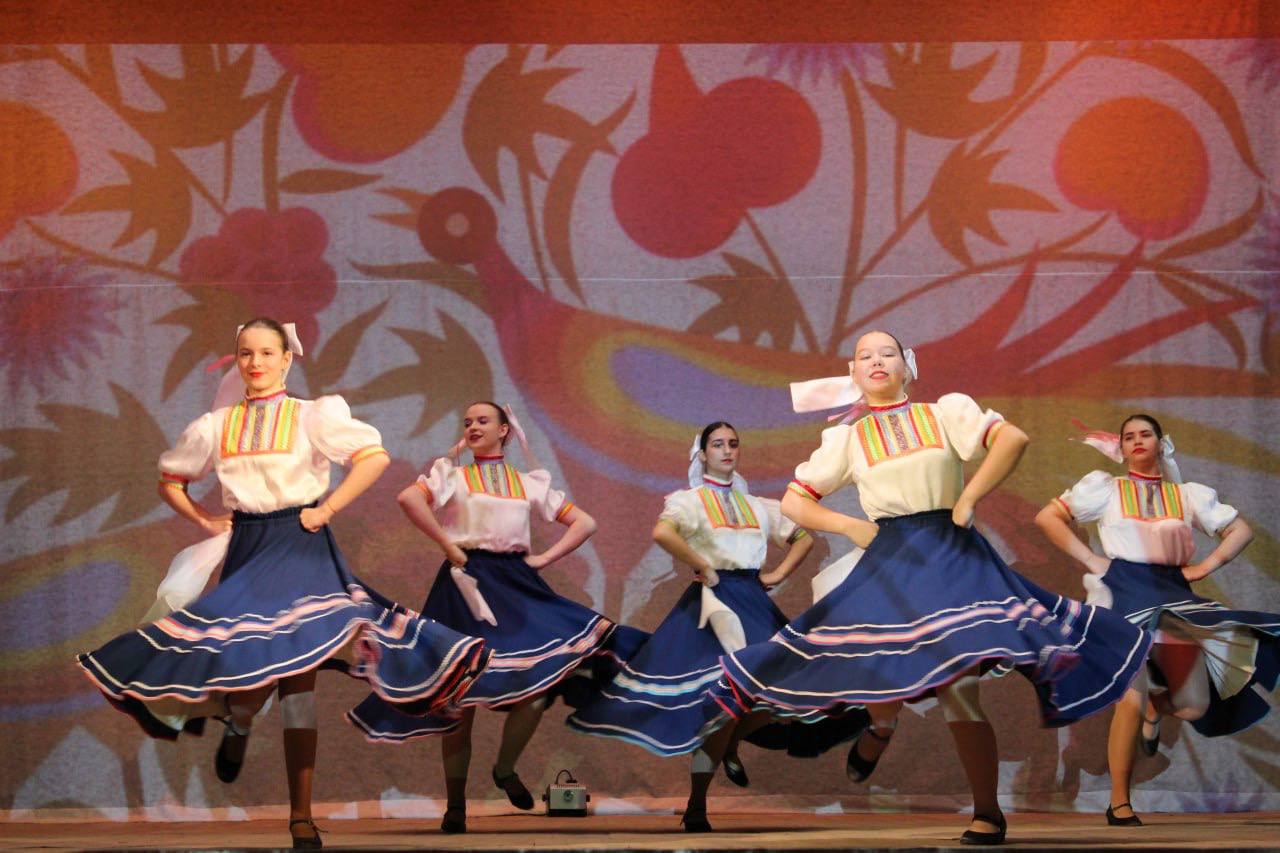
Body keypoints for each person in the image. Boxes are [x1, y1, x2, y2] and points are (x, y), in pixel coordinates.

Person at [697, 331, 1152, 845]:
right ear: (853, 373)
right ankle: (876, 732)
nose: (876, 361)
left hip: (952, 554)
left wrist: (969, 498)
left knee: (958, 685)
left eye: (887, 353)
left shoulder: (943, 413)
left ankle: (987, 812)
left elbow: (1012, 439)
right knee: (857, 670)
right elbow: (795, 501)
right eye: (865, 356)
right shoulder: (847, 439)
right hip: (891, 560)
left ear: (907, 366)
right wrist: (849, 527)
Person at [76, 318, 488, 849]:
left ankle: (301, 814)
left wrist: (328, 509)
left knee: (299, 681)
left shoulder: (313, 414)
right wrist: (206, 521)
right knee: (249, 671)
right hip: (250, 549)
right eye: (246, 353)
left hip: (302, 545)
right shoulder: (216, 425)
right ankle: (241, 722)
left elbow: (373, 457)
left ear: (286, 359)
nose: (256, 362)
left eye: (267, 352)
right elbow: (172, 479)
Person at [347, 401, 644, 834]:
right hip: (464, 584)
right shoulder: (452, 475)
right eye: (467, 422)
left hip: (515, 585)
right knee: (456, 697)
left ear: (505, 430)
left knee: (538, 686)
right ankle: (456, 806)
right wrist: (448, 545)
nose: (473, 426)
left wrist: (542, 559)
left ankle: (504, 769)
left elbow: (586, 523)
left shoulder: (527, 483)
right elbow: (408, 498)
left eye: (483, 421)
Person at [568, 422, 862, 820]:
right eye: (718, 444)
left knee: (782, 693)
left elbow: (802, 538)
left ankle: (730, 746)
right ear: (703, 454)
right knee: (722, 702)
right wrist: (702, 566)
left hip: (752, 602)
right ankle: (697, 804)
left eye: (733, 444)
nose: (727, 451)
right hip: (713, 605)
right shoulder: (689, 501)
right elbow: (663, 532)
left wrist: (777, 575)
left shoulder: (757, 505)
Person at [1035, 413, 1278, 826]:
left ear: (1161, 443)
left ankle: (1156, 708)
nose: (1137, 441)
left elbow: (1240, 531)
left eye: (1145, 434)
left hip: (1172, 597)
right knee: (1129, 698)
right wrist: (1092, 559)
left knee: (1192, 705)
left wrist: (1205, 567)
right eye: (1129, 436)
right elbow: (1048, 517)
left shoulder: (1187, 495)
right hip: (1123, 595)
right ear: (1121, 448)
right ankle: (1119, 802)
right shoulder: (1107, 488)